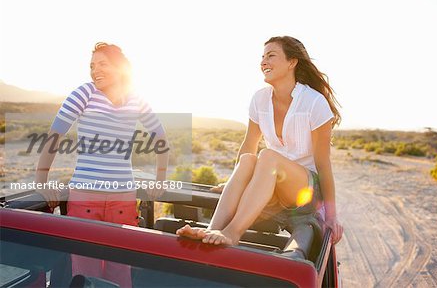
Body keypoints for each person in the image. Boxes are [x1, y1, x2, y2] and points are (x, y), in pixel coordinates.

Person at [177, 36, 343, 248]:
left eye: (271, 56)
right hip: (271, 182)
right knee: (248, 159)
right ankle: (213, 229)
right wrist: (233, 183)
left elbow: (323, 163)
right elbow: (248, 144)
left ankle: (233, 232)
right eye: (262, 57)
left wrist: (332, 215)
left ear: (292, 62)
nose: (263, 61)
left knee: (267, 155)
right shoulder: (259, 99)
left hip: (305, 190)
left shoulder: (314, 102)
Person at [35, 42, 169, 286]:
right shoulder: (84, 92)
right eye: (92, 65)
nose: (95, 70)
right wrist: (41, 180)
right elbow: (55, 135)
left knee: (121, 272)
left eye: (103, 64)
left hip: (124, 200)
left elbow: (160, 138)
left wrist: (160, 180)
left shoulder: (136, 98)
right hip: (86, 197)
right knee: (87, 274)